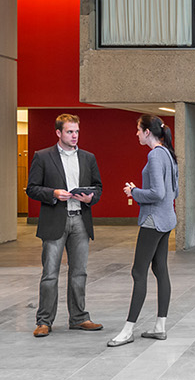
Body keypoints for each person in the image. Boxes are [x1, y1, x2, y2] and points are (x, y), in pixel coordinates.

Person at [24, 113, 103, 337]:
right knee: (50, 274)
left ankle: (79, 318)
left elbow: (98, 187)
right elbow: (32, 188)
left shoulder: (88, 158)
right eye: (69, 131)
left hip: (80, 220)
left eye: (76, 131)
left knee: (79, 273)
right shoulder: (43, 157)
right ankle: (44, 321)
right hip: (55, 221)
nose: (74, 135)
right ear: (58, 133)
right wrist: (53, 193)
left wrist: (90, 198)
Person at [107, 114, 179, 347]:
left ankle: (128, 330)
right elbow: (173, 192)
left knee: (139, 272)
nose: (136, 134)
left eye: (138, 130)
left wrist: (134, 192)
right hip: (166, 219)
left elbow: (157, 193)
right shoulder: (168, 153)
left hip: (152, 221)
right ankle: (160, 327)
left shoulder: (155, 155)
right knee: (160, 270)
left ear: (147, 132)